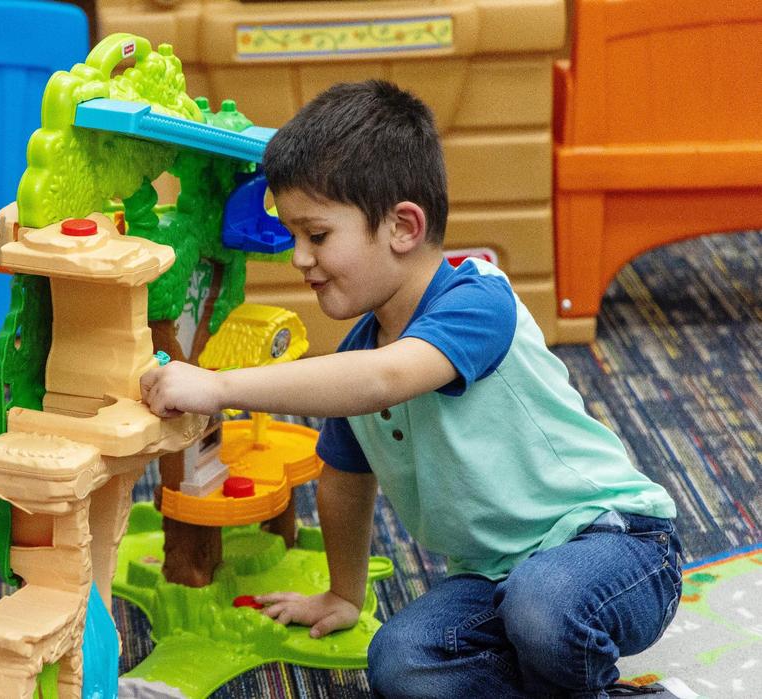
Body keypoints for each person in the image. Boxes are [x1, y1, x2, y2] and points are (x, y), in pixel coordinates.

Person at [139, 80, 684, 698]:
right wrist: (343, 594)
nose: (298, 258)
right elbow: (344, 476)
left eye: (316, 236)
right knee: (400, 662)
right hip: (494, 581)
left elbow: (386, 379)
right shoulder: (358, 359)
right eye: (292, 238)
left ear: (402, 226)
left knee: (546, 606)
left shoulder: (477, 300)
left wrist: (219, 385)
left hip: (615, 546)